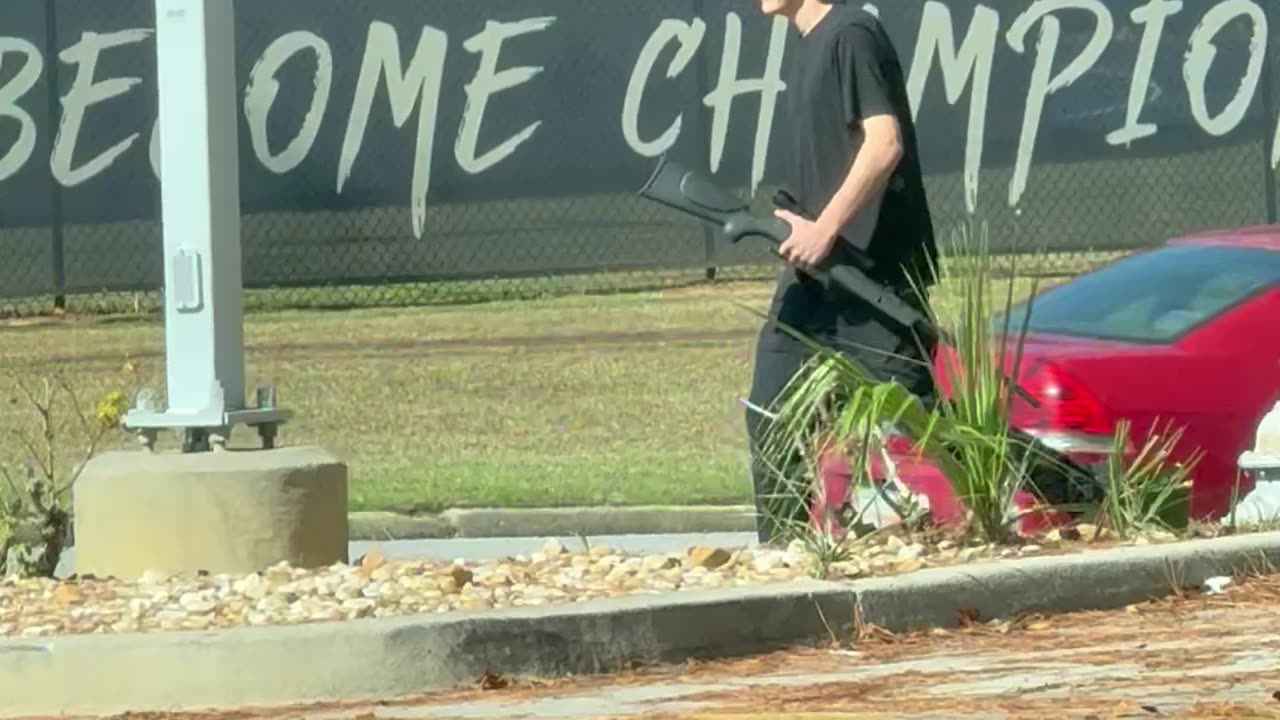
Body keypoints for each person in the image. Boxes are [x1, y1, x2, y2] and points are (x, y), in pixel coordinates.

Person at [745, 0, 941, 544]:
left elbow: (885, 144)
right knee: (771, 409)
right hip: (815, 279)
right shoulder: (809, 45)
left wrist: (826, 227)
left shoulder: (850, 33)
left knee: (922, 423)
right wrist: (796, 222)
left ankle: (1065, 499)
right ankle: (782, 551)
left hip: (869, 278)